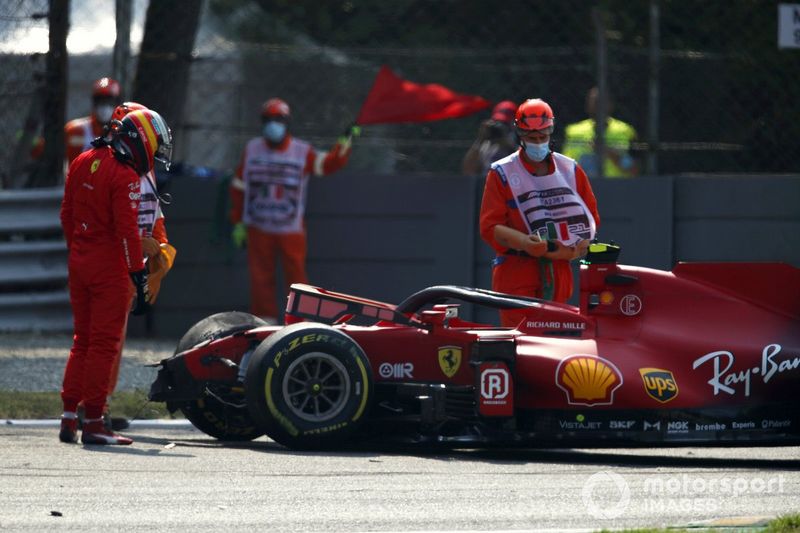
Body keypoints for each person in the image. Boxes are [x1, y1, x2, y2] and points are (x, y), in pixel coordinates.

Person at [59, 108, 172, 445]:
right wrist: (138, 276)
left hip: (79, 261)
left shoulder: (84, 159)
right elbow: (126, 233)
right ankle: (94, 421)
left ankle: (68, 417)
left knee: (82, 342)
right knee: (104, 346)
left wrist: (79, 248)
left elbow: (66, 214)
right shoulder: (124, 176)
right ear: (140, 142)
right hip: (109, 268)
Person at [479, 98, 601, 327]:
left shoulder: (570, 170)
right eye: (530, 138)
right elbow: (489, 227)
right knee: (519, 342)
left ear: (550, 132)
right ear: (520, 135)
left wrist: (569, 252)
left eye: (542, 137)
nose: (537, 143)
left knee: (554, 341)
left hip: (558, 273)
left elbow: (590, 222)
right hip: (516, 274)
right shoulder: (502, 172)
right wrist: (525, 242)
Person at [230, 98, 353, 323]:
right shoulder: (252, 149)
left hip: (290, 228)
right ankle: (264, 323)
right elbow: (239, 186)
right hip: (258, 226)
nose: (273, 124)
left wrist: (345, 143)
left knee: (296, 278)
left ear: (287, 123)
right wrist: (237, 221)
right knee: (260, 278)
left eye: (278, 119)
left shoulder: (301, 151)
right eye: (268, 120)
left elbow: (328, 165)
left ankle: (300, 323)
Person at [562, 87, 639, 178]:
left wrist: (607, 151)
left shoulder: (626, 131)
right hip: (583, 188)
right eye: (594, 101)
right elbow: (564, 169)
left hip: (617, 187)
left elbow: (635, 169)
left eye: (602, 101)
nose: (598, 105)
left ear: (611, 105)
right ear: (587, 105)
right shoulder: (574, 131)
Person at [64, 77, 122, 165]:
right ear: (94, 102)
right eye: (100, 101)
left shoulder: (122, 132)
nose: (104, 107)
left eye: (109, 101)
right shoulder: (75, 130)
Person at [462, 100, 517, 176]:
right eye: (497, 122)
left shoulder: (521, 140)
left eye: (504, 123)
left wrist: (505, 143)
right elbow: (468, 170)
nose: (500, 127)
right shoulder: (487, 144)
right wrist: (480, 139)